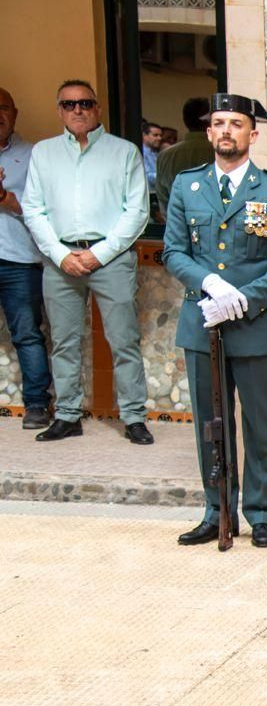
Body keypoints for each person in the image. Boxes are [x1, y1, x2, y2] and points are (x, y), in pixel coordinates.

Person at [163, 94, 267, 548]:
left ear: (252, 134)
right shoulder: (188, 186)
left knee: (261, 425)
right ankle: (216, 509)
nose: (226, 130)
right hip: (203, 322)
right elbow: (174, 252)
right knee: (210, 422)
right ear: (208, 133)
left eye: (236, 124)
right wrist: (210, 284)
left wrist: (240, 298)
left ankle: (262, 514)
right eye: (219, 123)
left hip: (257, 326)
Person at [21, 79, 152, 444]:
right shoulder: (44, 153)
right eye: (68, 104)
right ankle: (66, 415)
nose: (76, 110)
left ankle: (134, 417)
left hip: (109, 257)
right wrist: (62, 254)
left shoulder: (124, 152)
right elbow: (33, 209)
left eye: (84, 103)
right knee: (64, 341)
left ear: (97, 108)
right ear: (58, 110)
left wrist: (98, 254)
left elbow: (137, 211)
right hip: (60, 258)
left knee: (123, 339)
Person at [0, 86, 52, 429]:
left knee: (28, 334)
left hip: (18, 261)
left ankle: (36, 404)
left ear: (15, 114)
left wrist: (5, 197)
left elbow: (40, 210)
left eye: (3, 108)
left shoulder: (34, 155)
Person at [156, 98, 214, 210]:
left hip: (178, 222)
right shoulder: (221, 151)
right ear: (210, 119)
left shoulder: (165, 156)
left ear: (184, 120)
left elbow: (163, 199)